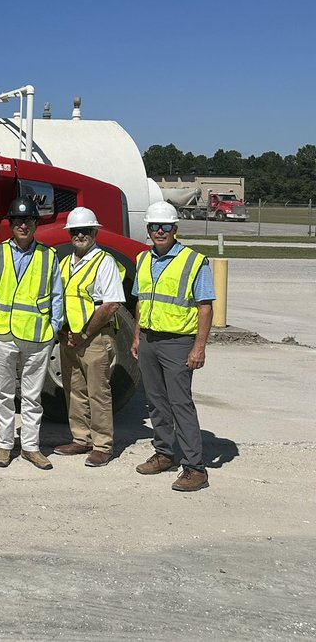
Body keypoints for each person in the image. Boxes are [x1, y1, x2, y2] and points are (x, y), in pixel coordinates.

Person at [0, 195, 64, 470]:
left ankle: (31, 447)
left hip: (38, 338)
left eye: (28, 220)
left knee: (32, 396)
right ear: (10, 224)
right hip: (3, 335)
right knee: (3, 394)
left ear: (36, 223)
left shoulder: (48, 256)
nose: (23, 225)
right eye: (17, 220)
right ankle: (4, 445)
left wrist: (53, 329)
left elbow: (57, 298)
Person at [132, 201, 215, 492]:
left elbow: (205, 307)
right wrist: (137, 337)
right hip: (149, 340)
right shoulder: (143, 260)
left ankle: (195, 468)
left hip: (179, 343)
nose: (159, 231)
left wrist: (199, 347)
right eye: (154, 226)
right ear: (148, 229)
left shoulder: (194, 261)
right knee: (156, 401)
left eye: (165, 226)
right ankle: (165, 454)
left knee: (180, 404)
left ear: (175, 229)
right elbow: (141, 300)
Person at [53, 206, 125, 467]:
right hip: (69, 337)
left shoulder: (104, 262)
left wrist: (83, 334)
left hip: (94, 338)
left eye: (85, 230)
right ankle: (80, 438)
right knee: (74, 390)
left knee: (98, 392)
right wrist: (65, 333)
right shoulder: (64, 263)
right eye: (75, 231)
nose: (80, 235)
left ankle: (103, 445)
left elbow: (111, 305)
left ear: (95, 232)